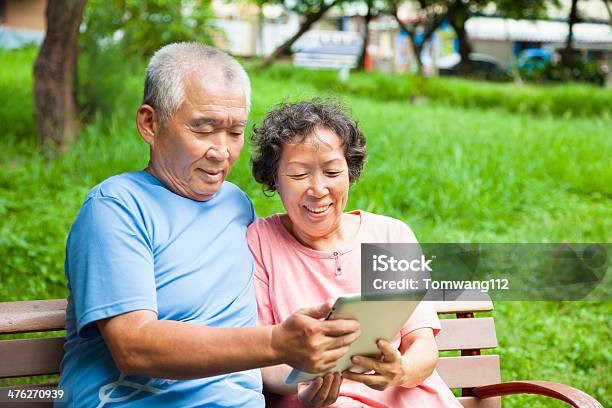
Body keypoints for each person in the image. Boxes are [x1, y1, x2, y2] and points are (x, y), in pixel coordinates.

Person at [58, 43, 360, 407]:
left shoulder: (236, 206)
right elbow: (132, 346)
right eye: (204, 130)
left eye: (234, 133)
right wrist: (276, 342)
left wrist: (307, 375)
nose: (221, 151)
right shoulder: (116, 208)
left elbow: (250, 360)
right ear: (149, 123)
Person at [248, 99, 462, 407]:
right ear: (274, 180)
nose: (318, 189)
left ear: (350, 173)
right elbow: (262, 358)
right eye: (298, 175)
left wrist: (401, 370)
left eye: (332, 172)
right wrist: (303, 382)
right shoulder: (259, 242)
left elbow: (422, 343)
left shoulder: (390, 236)